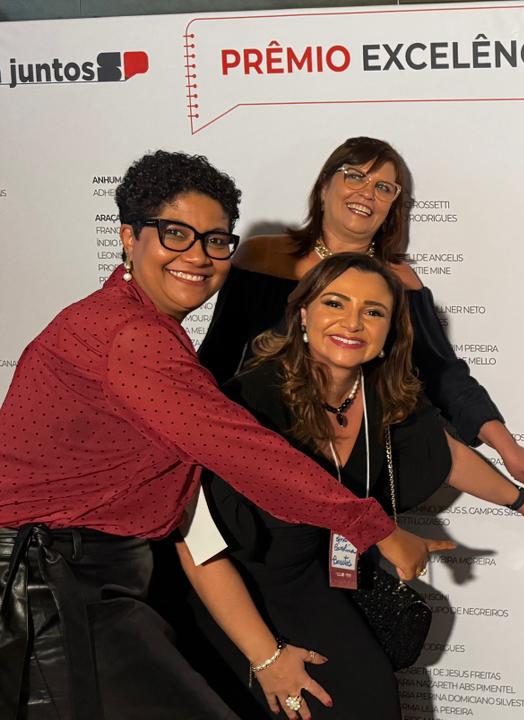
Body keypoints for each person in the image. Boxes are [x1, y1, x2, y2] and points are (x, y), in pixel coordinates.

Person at [0, 151, 443, 719]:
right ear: (129, 237)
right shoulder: (132, 337)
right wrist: (374, 528)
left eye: (215, 241)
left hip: (84, 581)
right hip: (44, 587)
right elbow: (248, 455)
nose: (198, 256)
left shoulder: (140, 327)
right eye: (175, 233)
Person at [183, 253, 524, 718]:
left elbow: (444, 454)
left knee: (374, 699)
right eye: (335, 303)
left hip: (308, 583)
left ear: (390, 330)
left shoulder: (378, 394)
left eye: (373, 311)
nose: (353, 322)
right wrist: (267, 659)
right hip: (230, 598)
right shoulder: (247, 401)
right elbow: (195, 546)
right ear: (303, 314)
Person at [198, 136, 524, 488]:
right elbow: (218, 357)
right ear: (324, 186)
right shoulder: (262, 257)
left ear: (392, 207)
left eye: (384, 188)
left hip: (355, 463)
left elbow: (443, 376)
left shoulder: (402, 282)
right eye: (355, 176)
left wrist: (507, 448)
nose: (367, 193)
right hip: (260, 453)